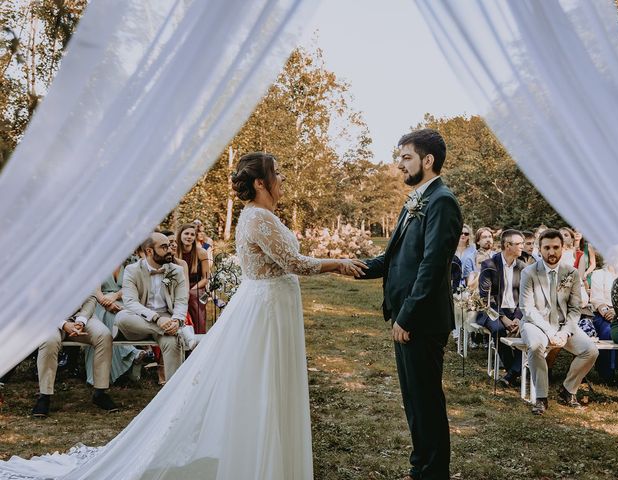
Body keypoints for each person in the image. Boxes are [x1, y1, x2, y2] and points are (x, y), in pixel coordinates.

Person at [0, 152, 365, 479]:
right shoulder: (257, 219)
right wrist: (339, 263)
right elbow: (294, 263)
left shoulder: (262, 216)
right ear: (259, 182)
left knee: (271, 378)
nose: (282, 179)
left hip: (274, 304)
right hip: (267, 310)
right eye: (278, 173)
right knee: (264, 380)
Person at [358, 129, 462, 480]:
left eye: (405, 157)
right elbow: (393, 258)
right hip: (407, 320)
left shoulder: (441, 201)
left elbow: (432, 265)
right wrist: (346, 265)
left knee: (426, 403)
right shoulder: (416, 199)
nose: (399, 164)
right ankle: (421, 469)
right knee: (415, 403)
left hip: (421, 321)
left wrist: (407, 316)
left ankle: (432, 474)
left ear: (427, 161)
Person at [519, 229, 598, 415]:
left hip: (563, 325)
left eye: (556, 247)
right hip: (535, 323)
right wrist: (549, 332)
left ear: (563, 248)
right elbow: (527, 309)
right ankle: (541, 397)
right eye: (547, 248)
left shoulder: (571, 272)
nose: (551, 252)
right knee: (536, 344)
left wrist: (564, 332)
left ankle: (568, 390)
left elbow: (575, 308)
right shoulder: (528, 272)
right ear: (540, 249)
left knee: (590, 351)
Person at [114, 233, 188, 381]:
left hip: (167, 319)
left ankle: (174, 392)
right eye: (164, 247)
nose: (170, 250)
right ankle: (176, 331)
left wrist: (177, 321)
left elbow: (181, 300)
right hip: (139, 321)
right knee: (121, 318)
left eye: (169, 246)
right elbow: (130, 302)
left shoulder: (176, 270)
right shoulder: (132, 270)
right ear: (149, 251)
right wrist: (157, 319)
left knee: (172, 341)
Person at [31, 295, 117, 417]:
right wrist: (64, 324)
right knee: (49, 341)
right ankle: (44, 396)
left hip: (82, 317)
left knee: (104, 336)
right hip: (51, 319)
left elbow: (91, 298)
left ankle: (100, 393)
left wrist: (81, 320)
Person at [476, 229, 526, 387]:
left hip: (516, 312)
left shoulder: (523, 267)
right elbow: (486, 297)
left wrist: (517, 318)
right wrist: (503, 318)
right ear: (507, 245)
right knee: (498, 329)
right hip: (492, 311)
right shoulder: (489, 265)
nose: (522, 247)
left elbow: (526, 297)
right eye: (518, 244)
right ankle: (515, 369)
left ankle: (511, 374)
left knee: (526, 330)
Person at [86, 259, 146, 386]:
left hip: (124, 300)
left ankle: (105, 375)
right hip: (100, 301)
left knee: (119, 314)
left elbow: (134, 286)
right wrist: (105, 301)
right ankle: (131, 353)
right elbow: (95, 290)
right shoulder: (97, 263)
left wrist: (115, 296)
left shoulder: (132, 262)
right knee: (107, 315)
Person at [176, 223, 210, 334]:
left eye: (192, 234)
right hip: (178, 286)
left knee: (193, 297)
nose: (189, 237)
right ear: (180, 235)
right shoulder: (174, 253)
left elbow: (205, 278)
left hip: (196, 286)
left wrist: (191, 290)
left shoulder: (201, 253)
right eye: (186, 233)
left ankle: (198, 334)